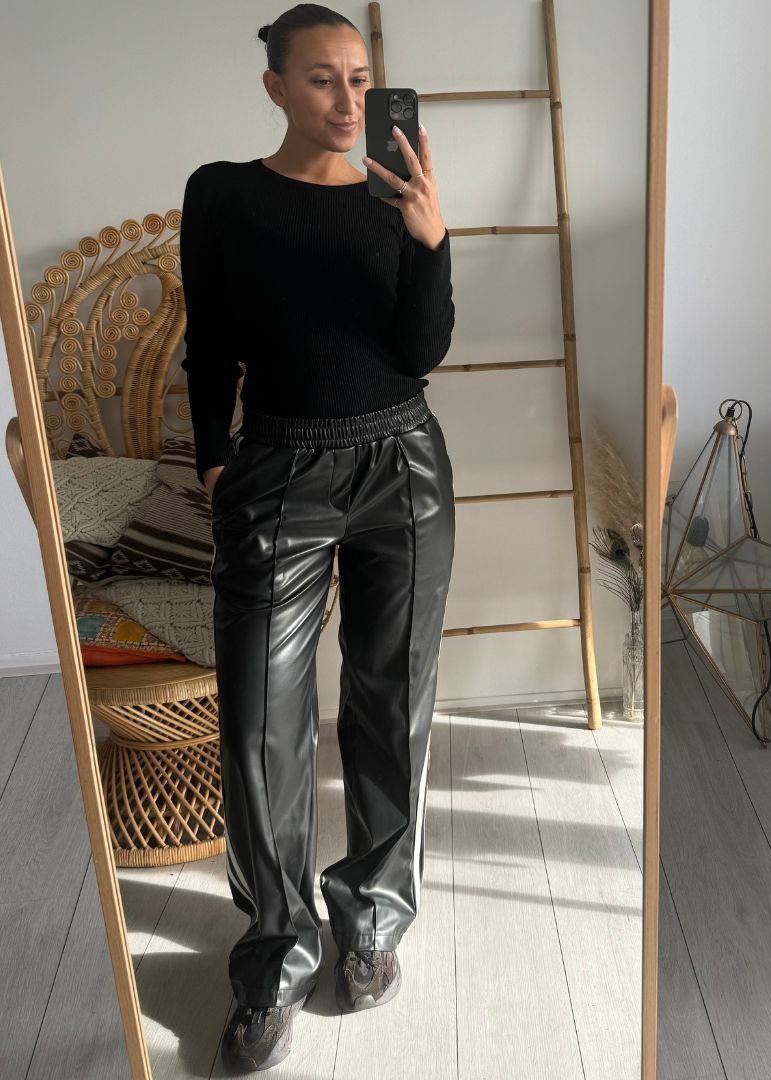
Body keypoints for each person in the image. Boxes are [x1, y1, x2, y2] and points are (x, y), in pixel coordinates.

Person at [179, 4, 456, 1071]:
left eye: (359, 78)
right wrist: (214, 458)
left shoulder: (395, 195)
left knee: (393, 702)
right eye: (322, 79)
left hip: (405, 468)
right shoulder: (224, 194)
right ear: (276, 88)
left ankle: (373, 917)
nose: (348, 101)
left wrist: (429, 239)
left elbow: (420, 349)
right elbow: (211, 338)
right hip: (280, 467)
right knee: (260, 724)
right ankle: (276, 954)